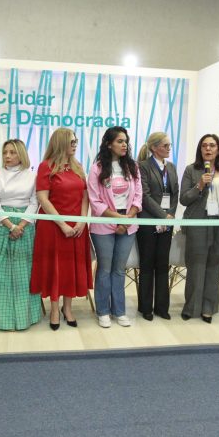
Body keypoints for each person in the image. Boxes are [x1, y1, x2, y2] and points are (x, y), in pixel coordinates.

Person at [30, 128, 93, 330]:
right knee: (55, 268)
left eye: (75, 141)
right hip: (53, 227)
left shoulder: (78, 167)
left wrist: (82, 221)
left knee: (71, 268)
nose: (75, 144)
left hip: (77, 227)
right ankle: (55, 309)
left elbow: (85, 196)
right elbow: (42, 198)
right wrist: (63, 224)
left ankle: (68, 308)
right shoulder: (45, 167)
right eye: (71, 141)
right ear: (60, 143)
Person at [0, 139, 42, 330]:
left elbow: (34, 202)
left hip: (26, 226)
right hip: (2, 226)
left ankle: (25, 317)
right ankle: (0, 318)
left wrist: (21, 224)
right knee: (0, 273)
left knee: (24, 273)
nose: (7, 156)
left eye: (12, 152)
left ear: (21, 154)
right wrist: (10, 226)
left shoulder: (32, 176)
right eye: (5, 152)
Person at [88, 127, 142, 328]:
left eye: (126, 141)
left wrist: (127, 218)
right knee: (104, 269)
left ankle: (119, 311)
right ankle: (102, 311)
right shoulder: (97, 168)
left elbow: (138, 195)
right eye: (120, 141)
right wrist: (117, 219)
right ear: (109, 144)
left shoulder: (133, 167)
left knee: (119, 270)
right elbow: (95, 201)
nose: (124, 144)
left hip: (127, 223)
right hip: (104, 226)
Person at [179, 134, 219, 323]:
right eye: (204, 145)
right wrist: (200, 185)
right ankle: (191, 307)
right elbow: (184, 199)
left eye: (212, 145)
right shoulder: (191, 170)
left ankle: (208, 308)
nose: (208, 149)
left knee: (214, 268)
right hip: (197, 223)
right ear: (200, 149)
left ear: (218, 149)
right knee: (196, 267)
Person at [136, 132, 179, 321]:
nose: (169, 148)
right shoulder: (142, 167)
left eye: (169, 145)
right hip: (148, 222)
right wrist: (162, 216)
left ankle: (162, 307)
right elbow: (144, 196)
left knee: (163, 265)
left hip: (167, 222)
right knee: (147, 265)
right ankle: (145, 307)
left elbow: (175, 194)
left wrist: (169, 216)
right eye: (165, 145)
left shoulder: (171, 167)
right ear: (154, 147)